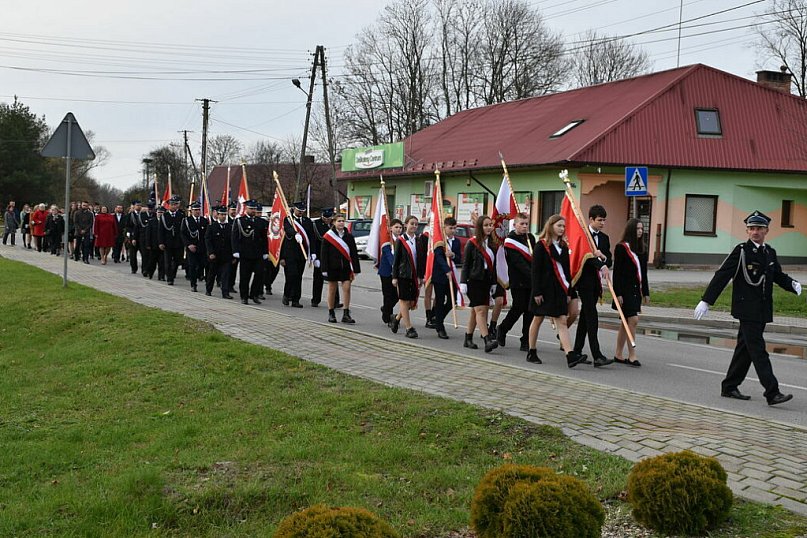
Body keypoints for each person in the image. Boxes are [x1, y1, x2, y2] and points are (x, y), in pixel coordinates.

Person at [695, 210, 801, 406]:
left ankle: (729, 386)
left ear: (766, 230)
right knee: (758, 351)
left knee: (744, 349)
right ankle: (772, 392)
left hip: (762, 309)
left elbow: (777, 275)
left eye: (759, 228)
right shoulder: (741, 251)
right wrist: (707, 300)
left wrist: (792, 284)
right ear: (747, 230)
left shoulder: (769, 252)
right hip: (746, 309)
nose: (755, 232)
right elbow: (722, 275)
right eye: (751, 228)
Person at [526, 215, 587, 367]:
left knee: (562, 320)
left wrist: (568, 292)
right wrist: (537, 292)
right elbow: (535, 271)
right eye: (559, 226)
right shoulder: (541, 246)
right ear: (551, 225)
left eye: (563, 226)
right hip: (544, 290)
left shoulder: (564, 247)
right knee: (537, 318)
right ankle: (531, 351)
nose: (562, 229)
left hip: (559, 289)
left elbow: (566, 271)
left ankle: (570, 355)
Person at [572, 204, 614, 367]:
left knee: (585, 317)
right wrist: (600, 264)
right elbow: (586, 258)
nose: (602, 223)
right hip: (583, 281)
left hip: (595, 282)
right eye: (599, 220)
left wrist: (604, 259)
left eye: (604, 220)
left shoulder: (604, 238)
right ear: (591, 219)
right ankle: (597, 355)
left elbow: (608, 259)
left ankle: (576, 350)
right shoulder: (583, 235)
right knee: (592, 316)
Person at [612, 218, 650, 367]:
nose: (640, 231)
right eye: (637, 229)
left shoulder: (642, 249)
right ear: (631, 230)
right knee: (633, 320)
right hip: (624, 291)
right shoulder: (621, 248)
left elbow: (644, 273)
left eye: (641, 229)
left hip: (636, 291)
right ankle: (632, 355)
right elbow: (617, 273)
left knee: (626, 323)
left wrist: (646, 292)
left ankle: (618, 353)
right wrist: (618, 293)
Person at [496, 213, 535, 351]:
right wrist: (533, 275)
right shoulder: (510, 241)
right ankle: (502, 329)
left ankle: (525, 340)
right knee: (518, 308)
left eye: (526, 224)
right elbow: (518, 263)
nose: (524, 226)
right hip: (518, 281)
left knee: (530, 311)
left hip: (531, 281)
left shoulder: (530, 238)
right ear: (515, 225)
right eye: (522, 224)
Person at [460, 215, 499, 353]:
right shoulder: (472, 243)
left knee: (475, 311)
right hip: (473, 281)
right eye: (486, 225)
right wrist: (463, 282)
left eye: (490, 225)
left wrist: (494, 282)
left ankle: (468, 338)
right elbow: (466, 264)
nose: (489, 227)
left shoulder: (493, 244)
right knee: (481, 311)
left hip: (486, 281)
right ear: (480, 227)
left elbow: (494, 266)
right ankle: (487, 339)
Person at [321, 213, 361, 323]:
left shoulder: (349, 236)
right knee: (332, 290)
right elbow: (324, 254)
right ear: (334, 222)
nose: (341, 223)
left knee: (347, 289)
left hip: (346, 267)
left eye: (343, 221)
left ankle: (346, 313)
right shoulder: (328, 236)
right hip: (332, 267)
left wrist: (356, 269)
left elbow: (353, 253)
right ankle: (331, 313)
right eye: (339, 221)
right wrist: (324, 269)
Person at [390, 215, 425, 338]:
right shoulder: (400, 240)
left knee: (411, 302)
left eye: (416, 224)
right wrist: (394, 277)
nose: (414, 226)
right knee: (404, 301)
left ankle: (397, 318)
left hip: (415, 276)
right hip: (403, 275)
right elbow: (396, 260)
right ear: (406, 225)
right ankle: (409, 328)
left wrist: (421, 276)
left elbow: (421, 260)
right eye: (412, 224)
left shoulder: (418, 240)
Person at [232, 200, 268, 304]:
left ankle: (254, 294)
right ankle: (244, 296)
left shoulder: (260, 222)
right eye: (251, 209)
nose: (253, 211)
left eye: (254, 209)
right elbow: (235, 237)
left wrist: (265, 252)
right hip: (245, 253)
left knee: (259, 275)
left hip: (258, 253)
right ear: (246, 209)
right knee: (245, 276)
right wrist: (235, 250)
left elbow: (264, 238)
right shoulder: (240, 221)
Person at [429, 217, 459, 339]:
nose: (452, 230)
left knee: (453, 300)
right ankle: (440, 327)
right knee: (440, 301)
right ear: (444, 228)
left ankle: (438, 317)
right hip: (440, 276)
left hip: (452, 276)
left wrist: (453, 255)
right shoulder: (440, 241)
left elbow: (459, 258)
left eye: (454, 228)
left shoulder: (456, 242)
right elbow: (439, 257)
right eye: (450, 228)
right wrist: (446, 270)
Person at [280, 202, 312, 308]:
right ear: (294, 209)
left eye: (302, 211)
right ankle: (287, 294)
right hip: (290, 253)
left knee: (298, 277)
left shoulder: (307, 221)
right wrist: (295, 234)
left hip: (301, 254)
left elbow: (311, 237)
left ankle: (296, 300)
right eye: (299, 210)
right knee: (291, 275)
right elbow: (287, 229)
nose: (300, 212)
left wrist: (312, 253)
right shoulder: (288, 220)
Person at [311, 207, 339, 307]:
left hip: (332, 256)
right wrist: (313, 255)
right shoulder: (316, 224)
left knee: (334, 278)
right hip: (320, 255)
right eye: (325, 218)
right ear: (322, 216)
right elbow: (314, 240)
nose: (327, 220)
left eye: (329, 218)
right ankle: (315, 300)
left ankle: (335, 301)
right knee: (318, 279)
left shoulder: (334, 225)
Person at [205, 206, 234, 299]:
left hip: (226, 256)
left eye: (225, 214)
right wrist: (210, 253)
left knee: (225, 275)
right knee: (212, 273)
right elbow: (208, 240)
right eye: (221, 214)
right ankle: (208, 289)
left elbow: (232, 242)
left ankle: (225, 292)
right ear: (217, 215)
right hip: (215, 255)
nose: (223, 216)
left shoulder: (230, 227)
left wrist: (233, 255)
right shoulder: (212, 226)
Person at [377, 218, 403, 325]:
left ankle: (386, 308)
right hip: (387, 272)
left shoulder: (402, 240)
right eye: (396, 227)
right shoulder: (387, 241)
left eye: (400, 227)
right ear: (390, 228)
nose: (398, 229)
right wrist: (396, 264)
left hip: (398, 272)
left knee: (397, 295)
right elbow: (389, 256)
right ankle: (388, 317)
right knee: (387, 295)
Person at [180, 201, 208, 292]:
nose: (197, 212)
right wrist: (188, 244)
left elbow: (207, 235)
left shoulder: (204, 220)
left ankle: (200, 276)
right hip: (191, 247)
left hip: (202, 248)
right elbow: (183, 234)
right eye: (195, 210)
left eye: (199, 210)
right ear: (191, 211)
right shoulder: (186, 221)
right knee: (192, 266)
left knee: (202, 265)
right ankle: (193, 284)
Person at [158, 196, 186, 285]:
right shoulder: (164, 216)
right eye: (172, 204)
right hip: (168, 243)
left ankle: (172, 274)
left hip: (178, 243)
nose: (174, 206)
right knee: (168, 262)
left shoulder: (181, 216)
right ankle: (170, 278)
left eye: (175, 204)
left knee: (178, 260)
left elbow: (183, 230)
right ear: (168, 205)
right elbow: (160, 230)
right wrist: (161, 242)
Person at [124, 200, 143, 274]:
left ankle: (144, 269)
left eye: (140, 205)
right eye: (137, 205)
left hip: (141, 237)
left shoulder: (143, 214)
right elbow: (127, 226)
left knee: (144, 254)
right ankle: (134, 268)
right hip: (132, 236)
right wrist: (130, 235)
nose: (139, 206)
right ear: (134, 206)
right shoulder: (130, 215)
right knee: (133, 254)